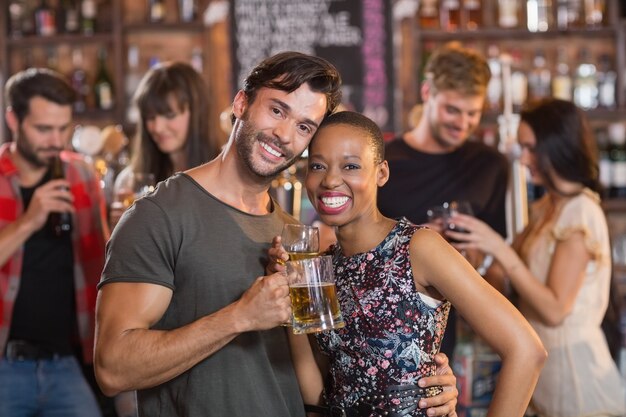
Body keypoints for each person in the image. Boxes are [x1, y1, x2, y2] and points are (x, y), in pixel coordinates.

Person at [94, 52, 457, 417]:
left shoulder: (295, 238)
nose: (284, 135)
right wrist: (240, 317)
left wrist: (420, 382)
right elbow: (113, 368)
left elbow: (326, 379)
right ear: (241, 102)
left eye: (304, 127)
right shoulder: (158, 216)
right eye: (277, 111)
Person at [268, 111, 546, 417]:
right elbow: (319, 395)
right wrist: (290, 292)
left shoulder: (418, 247)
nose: (331, 180)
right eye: (318, 165)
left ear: (381, 173)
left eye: (351, 166)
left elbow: (526, 350)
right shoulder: (321, 267)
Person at [448, 98, 626, 417]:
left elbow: (555, 310)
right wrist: (473, 253)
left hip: (578, 385)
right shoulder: (546, 207)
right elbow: (505, 280)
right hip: (543, 378)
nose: (523, 159)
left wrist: (498, 248)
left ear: (556, 148)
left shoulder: (581, 213)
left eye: (530, 149)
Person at [377, 42, 510, 359]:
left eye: (472, 113)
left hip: (449, 335)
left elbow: (498, 268)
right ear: (427, 93)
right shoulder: (382, 161)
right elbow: (344, 246)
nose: (462, 124)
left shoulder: (490, 166)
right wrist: (420, 240)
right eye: (452, 110)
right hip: (379, 326)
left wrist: (476, 256)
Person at [0, 68, 109, 416]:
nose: (56, 140)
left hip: (68, 364)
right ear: (13, 120)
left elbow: (106, 258)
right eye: (44, 129)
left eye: (64, 128)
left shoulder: (81, 173)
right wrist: (29, 220)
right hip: (5, 364)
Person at [110, 61, 221, 227]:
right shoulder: (129, 181)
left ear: (198, 113)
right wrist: (121, 231)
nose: (157, 127)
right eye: (150, 117)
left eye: (169, 115)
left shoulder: (226, 175)